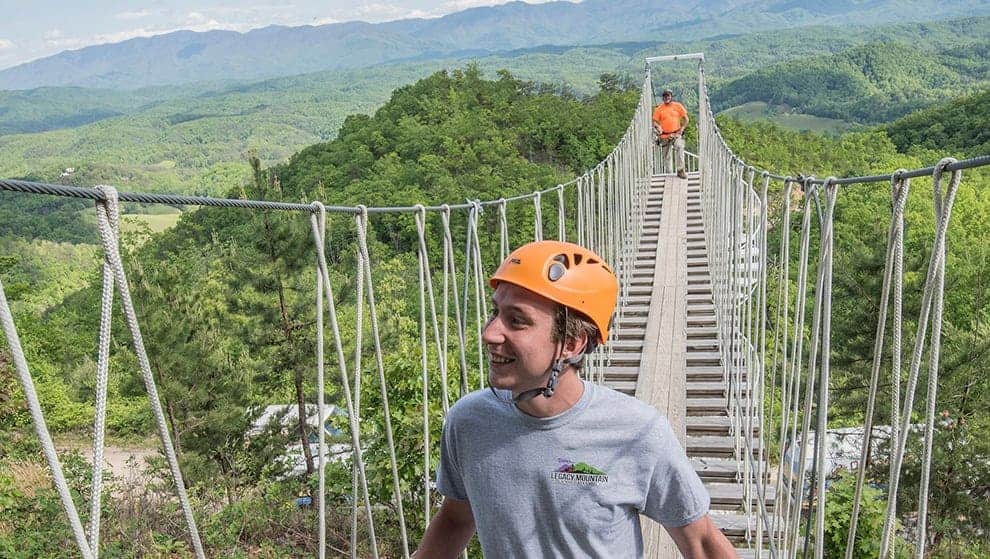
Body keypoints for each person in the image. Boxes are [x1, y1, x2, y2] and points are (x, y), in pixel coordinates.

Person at [414, 240, 736, 558]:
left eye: (516, 320)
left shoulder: (638, 432)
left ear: (572, 343)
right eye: (495, 312)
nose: (490, 333)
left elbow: (701, 542)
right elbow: (457, 517)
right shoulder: (469, 422)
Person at [653, 88, 690, 179]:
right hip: (664, 135)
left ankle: (680, 170)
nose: (666, 98)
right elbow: (654, 121)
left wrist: (682, 128)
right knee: (667, 156)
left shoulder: (678, 106)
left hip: (676, 133)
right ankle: (669, 174)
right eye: (665, 96)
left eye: (668, 96)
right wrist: (658, 127)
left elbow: (686, 119)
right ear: (663, 98)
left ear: (671, 97)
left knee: (680, 147)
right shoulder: (659, 109)